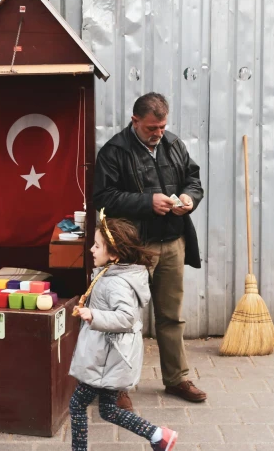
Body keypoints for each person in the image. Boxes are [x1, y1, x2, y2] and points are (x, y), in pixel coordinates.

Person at [92, 92, 205, 410]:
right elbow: (102, 198)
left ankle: (177, 378)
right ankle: (116, 386)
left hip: (172, 244)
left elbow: (193, 180)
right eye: (151, 128)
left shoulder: (174, 144)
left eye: (162, 127)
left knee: (171, 317)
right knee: (123, 320)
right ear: (135, 121)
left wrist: (188, 199)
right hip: (133, 250)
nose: (158, 134)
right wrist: (146, 202)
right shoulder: (114, 151)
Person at [68, 212, 177, 451]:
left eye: (97, 246)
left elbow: (127, 317)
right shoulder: (110, 274)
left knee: (77, 405)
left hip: (107, 356)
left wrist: (93, 315)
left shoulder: (116, 282)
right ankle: (159, 435)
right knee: (108, 409)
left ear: (115, 254)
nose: (92, 250)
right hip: (110, 353)